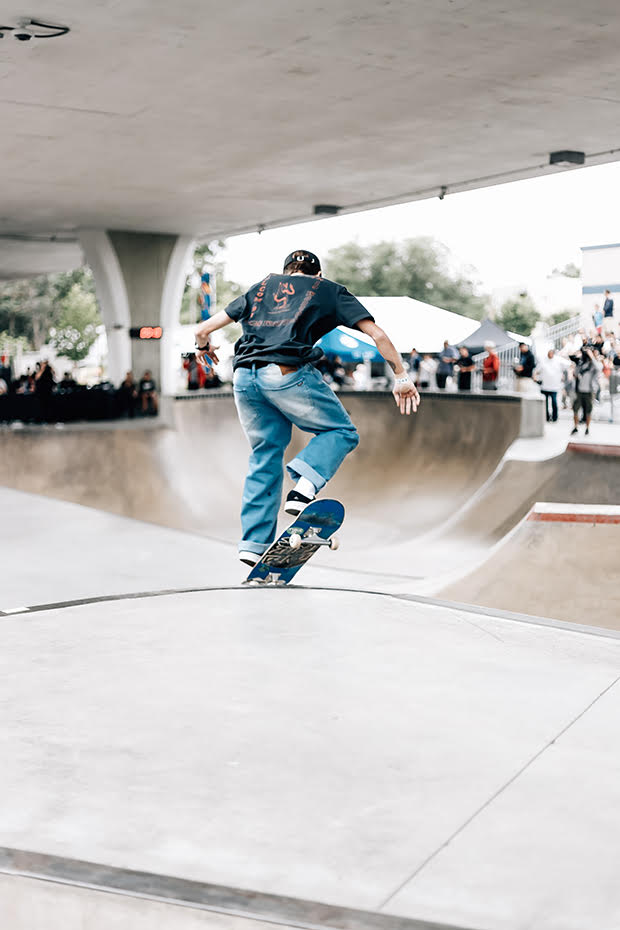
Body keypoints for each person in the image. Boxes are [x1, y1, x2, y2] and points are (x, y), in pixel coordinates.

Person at [194, 249, 420, 566]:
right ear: (318, 275)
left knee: (264, 454)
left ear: (286, 270)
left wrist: (203, 348)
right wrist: (400, 375)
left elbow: (202, 330)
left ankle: (253, 545)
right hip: (285, 374)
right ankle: (303, 489)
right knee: (340, 431)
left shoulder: (261, 287)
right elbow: (377, 334)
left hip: (244, 377)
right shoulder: (327, 289)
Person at [570, 346, 602, 436]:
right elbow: (575, 374)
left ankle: (587, 428)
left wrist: (591, 356)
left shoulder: (594, 365)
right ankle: (575, 427)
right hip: (579, 391)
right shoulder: (581, 364)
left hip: (589, 391)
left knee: (588, 411)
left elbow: (599, 368)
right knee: (575, 409)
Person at [536, 349, 568, 423]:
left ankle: (554, 417)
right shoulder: (543, 361)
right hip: (545, 385)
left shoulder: (558, 360)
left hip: (554, 386)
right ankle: (546, 417)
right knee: (545, 403)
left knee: (554, 402)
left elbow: (568, 364)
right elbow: (537, 370)